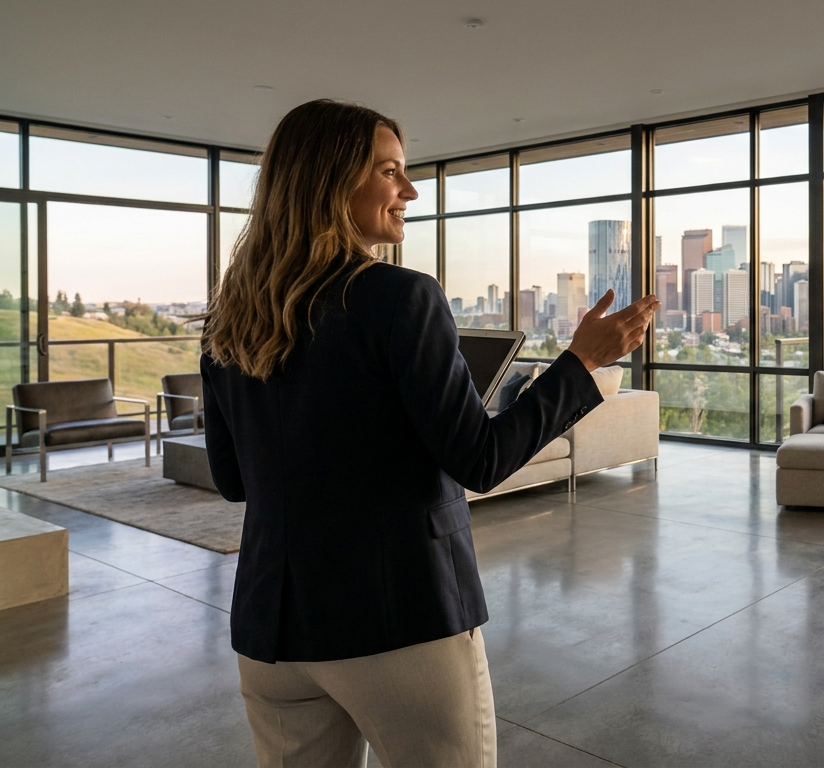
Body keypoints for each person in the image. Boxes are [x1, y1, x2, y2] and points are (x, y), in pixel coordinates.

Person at [200, 99, 657, 768]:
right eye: (390, 172)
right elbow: (481, 458)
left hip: (272, 632)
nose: (409, 190)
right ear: (332, 181)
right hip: (398, 625)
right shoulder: (399, 297)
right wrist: (581, 363)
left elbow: (232, 479)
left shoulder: (230, 319)